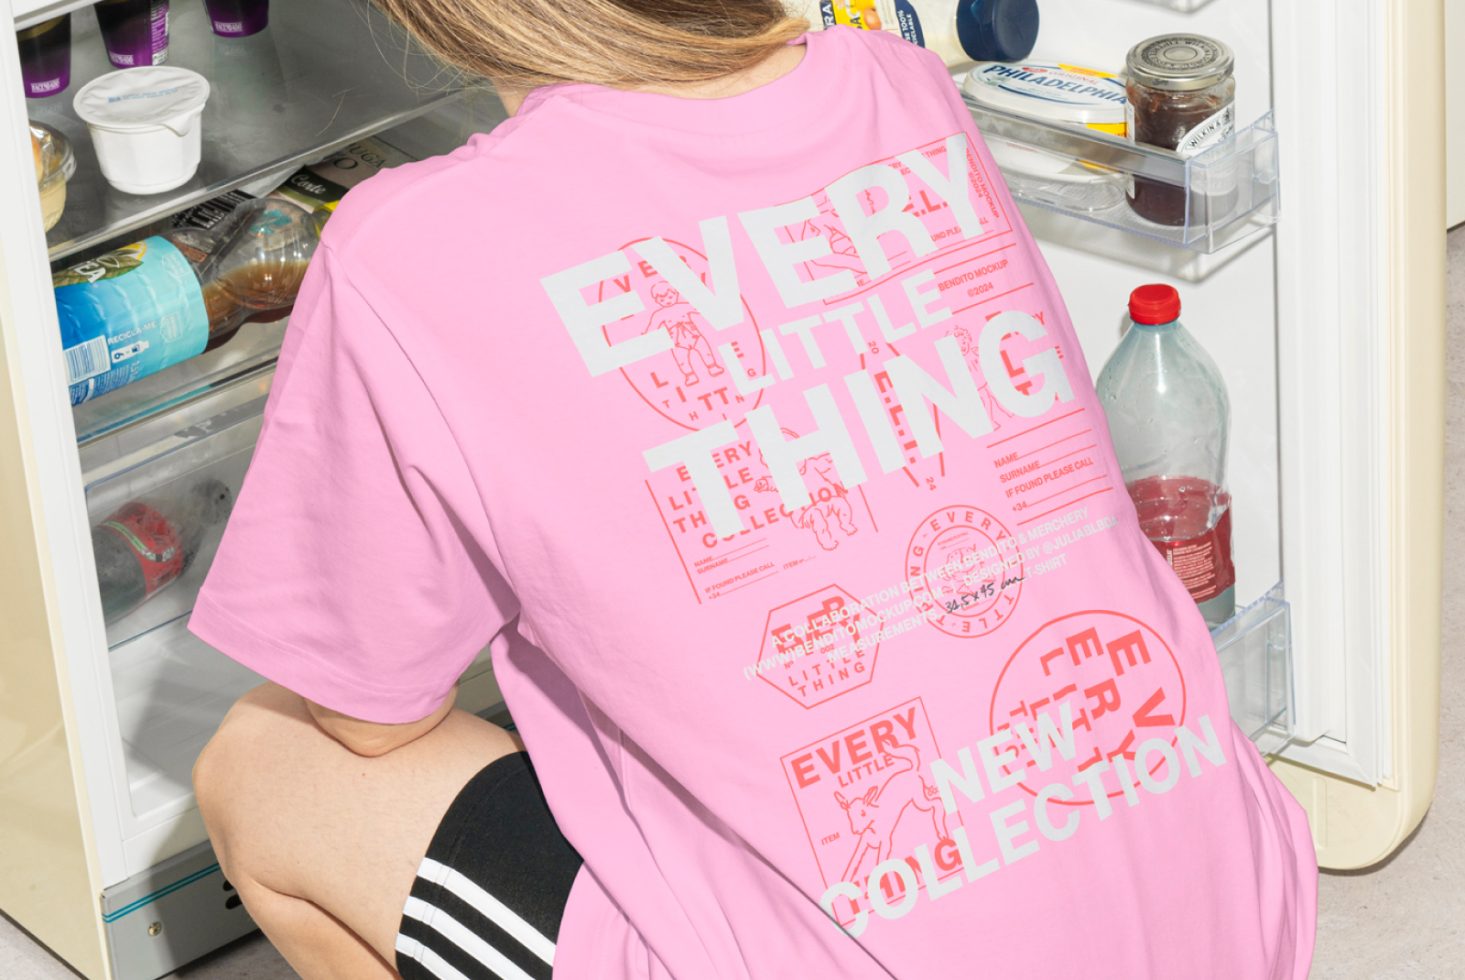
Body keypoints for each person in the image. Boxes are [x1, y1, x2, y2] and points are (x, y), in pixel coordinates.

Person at [187, 3, 1319, 978]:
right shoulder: (898, 80)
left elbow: (367, 718)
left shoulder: (406, 246)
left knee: (263, 765)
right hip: (1223, 911)